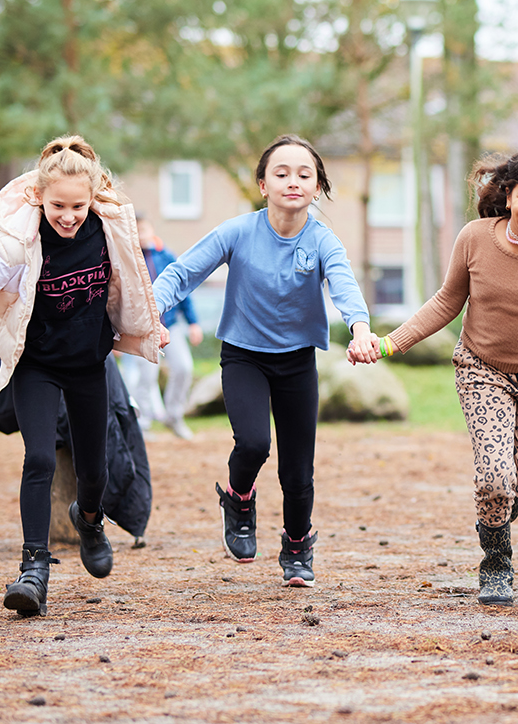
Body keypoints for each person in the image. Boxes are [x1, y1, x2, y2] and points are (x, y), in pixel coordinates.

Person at [0, 135, 165, 618]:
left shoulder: (111, 231)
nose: (68, 216)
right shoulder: (14, 243)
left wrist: (149, 328)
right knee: (39, 457)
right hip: (36, 365)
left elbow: (134, 286)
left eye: (78, 206)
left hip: (90, 364)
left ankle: (89, 521)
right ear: (38, 197)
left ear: (94, 197)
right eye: (58, 205)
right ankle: (34, 569)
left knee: (94, 471)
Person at [352, 149, 518, 606]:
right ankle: (496, 562)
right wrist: (389, 343)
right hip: (482, 371)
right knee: (495, 476)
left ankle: (498, 506)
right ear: (508, 195)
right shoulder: (475, 239)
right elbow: (445, 303)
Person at [151, 135, 374, 588]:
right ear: (262, 185)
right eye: (282, 173)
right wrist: (150, 315)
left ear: (317, 188)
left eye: (304, 174)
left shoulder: (322, 240)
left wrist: (361, 329)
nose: (293, 181)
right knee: (253, 444)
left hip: (296, 362)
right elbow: (182, 272)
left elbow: (344, 285)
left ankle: (297, 546)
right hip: (243, 357)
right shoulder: (237, 232)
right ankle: (238, 498)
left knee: (298, 468)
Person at [122, 214, 203, 439]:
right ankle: (144, 422)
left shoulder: (165, 255)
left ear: (152, 231)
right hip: (142, 329)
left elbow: (183, 290)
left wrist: (193, 322)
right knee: (146, 376)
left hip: (172, 325)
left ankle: (174, 416)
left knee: (184, 368)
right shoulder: (127, 259)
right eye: (136, 232)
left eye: (144, 230)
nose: (141, 236)